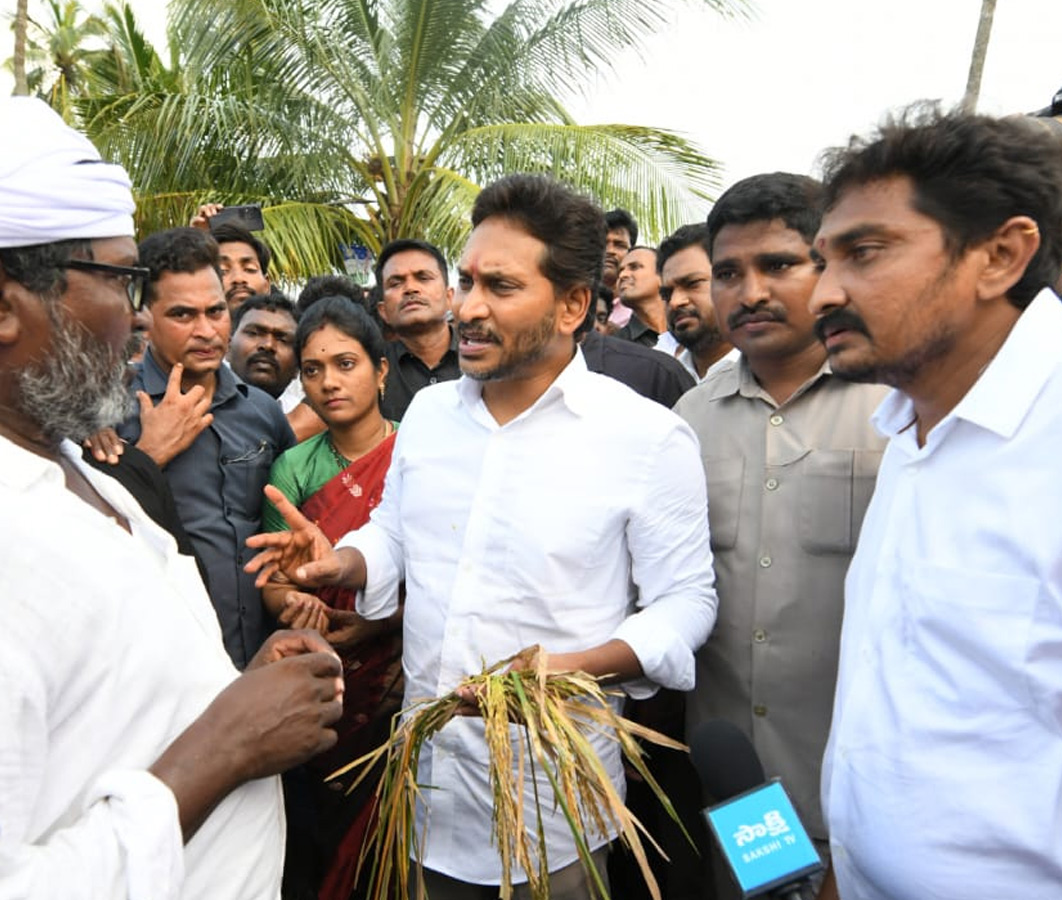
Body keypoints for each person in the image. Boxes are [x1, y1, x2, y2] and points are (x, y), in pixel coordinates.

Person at [0, 93, 343, 899]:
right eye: (121, 281)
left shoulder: (60, 456)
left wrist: (235, 692)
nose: (136, 322)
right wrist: (225, 749)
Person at [246, 173, 718, 899]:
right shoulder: (430, 417)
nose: (465, 307)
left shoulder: (648, 438)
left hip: (556, 813)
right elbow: (395, 538)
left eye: (498, 285)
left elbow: (686, 604)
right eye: (465, 280)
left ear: (571, 304)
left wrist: (572, 667)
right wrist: (339, 559)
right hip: (422, 792)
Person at [808, 106, 1062, 899]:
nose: (824, 292)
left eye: (864, 253)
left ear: (1000, 256)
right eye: (823, 259)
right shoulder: (909, 427)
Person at [674, 173, 889, 899]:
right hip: (740, 787)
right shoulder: (686, 421)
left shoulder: (897, 409)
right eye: (728, 273)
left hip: (865, 789)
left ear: (827, 267)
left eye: (779, 265)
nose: (750, 291)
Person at [262, 296, 403, 900]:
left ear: (381, 369)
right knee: (319, 838)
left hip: (400, 678)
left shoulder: (419, 454)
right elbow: (273, 579)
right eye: (313, 370)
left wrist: (380, 625)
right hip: (320, 675)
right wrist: (294, 606)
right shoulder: (292, 466)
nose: (328, 382)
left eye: (345, 363)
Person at [118, 226, 296, 669]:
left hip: (261, 658)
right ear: (144, 316)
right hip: (161, 666)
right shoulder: (110, 414)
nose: (206, 331)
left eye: (216, 311)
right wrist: (147, 456)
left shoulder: (262, 412)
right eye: (182, 315)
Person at [373, 238, 460, 420]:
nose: (410, 288)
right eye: (396, 283)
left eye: (423, 278)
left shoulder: (488, 357)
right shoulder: (371, 369)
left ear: (449, 297)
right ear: (383, 311)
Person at [657, 224, 738, 382]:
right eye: (666, 295)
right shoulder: (661, 380)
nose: (675, 302)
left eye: (692, 284)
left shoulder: (774, 373)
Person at [228, 291, 300, 401]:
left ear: (298, 367)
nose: (268, 345)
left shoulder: (313, 416)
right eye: (254, 333)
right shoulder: (198, 408)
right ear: (228, 347)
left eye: (282, 340)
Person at [614, 245, 674, 352]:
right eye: (620, 271)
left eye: (634, 267)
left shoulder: (689, 329)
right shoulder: (616, 347)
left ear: (662, 276)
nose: (623, 275)